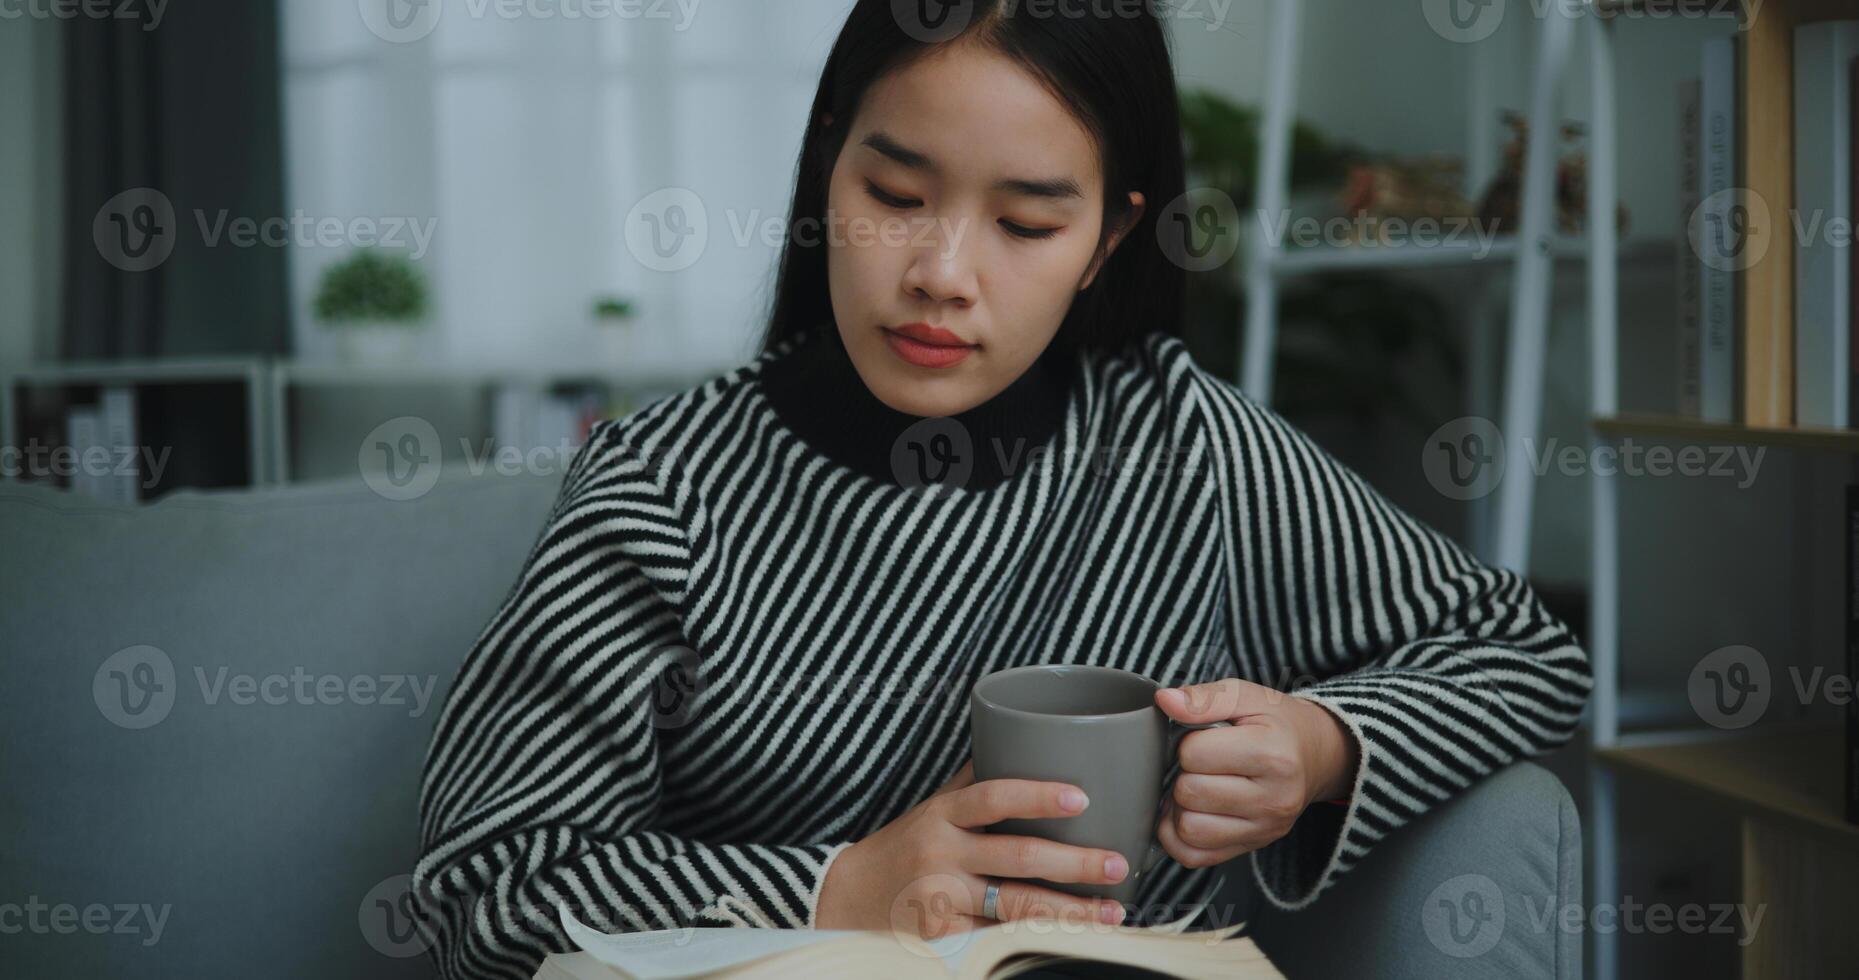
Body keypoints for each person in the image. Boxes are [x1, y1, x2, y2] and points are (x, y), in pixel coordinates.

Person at [413, 2, 1593, 977]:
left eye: (1026, 221)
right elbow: (485, 879)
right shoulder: (661, 491)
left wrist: (1322, 742)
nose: (941, 274)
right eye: (893, 195)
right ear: (828, 161)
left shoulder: (1180, 445)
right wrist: (844, 885)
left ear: (1108, 241)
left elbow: (1524, 650)